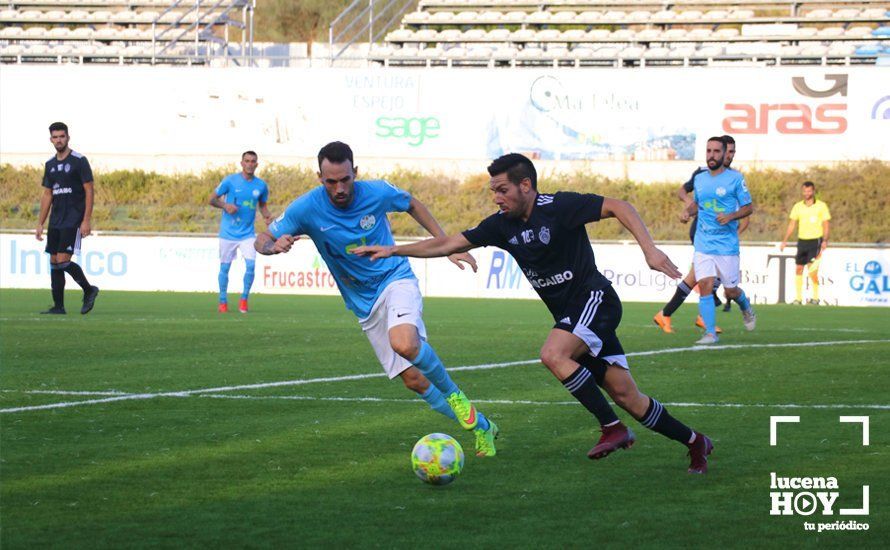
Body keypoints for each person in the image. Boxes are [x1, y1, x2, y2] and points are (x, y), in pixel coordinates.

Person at [354, 153, 715, 474]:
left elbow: (620, 205)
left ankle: (612, 427)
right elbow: (449, 242)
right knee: (627, 396)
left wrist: (649, 251)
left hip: (595, 301)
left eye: (502, 190)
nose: (496, 198)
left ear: (525, 185)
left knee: (552, 354)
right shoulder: (500, 225)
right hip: (573, 318)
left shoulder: (559, 207)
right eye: (492, 191)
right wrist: (394, 250)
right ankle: (695, 441)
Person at [254, 141, 499, 457]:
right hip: (363, 303)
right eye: (331, 181)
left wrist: (446, 244)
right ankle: (483, 427)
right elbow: (262, 238)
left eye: (345, 179)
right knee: (413, 379)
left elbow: (412, 203)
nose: (340, 188)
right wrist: (273, 247)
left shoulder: (377, 192)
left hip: (394, 278)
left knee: (405, 343)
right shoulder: (306, 208)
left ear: (355, 172)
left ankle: (455, 396)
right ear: (319, 178)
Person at [653, 135, 747, 333]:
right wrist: (691, 208)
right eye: (726, 151)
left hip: (721, 236)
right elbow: (681, 192)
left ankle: (667, 314)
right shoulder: (703, 173)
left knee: (695, 277)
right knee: (707, 277)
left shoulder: (734, 178)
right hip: (703, 231)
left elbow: (744, 209)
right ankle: (700, 316)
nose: (728, 155)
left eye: (731, 152)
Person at [684, 137, 756, 344]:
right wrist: (687, 212)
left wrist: (731, 216)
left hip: (726, 245)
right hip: (704, 242)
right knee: (705, 284)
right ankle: (710, 333)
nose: (711, 155)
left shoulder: (735, 179)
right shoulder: (700, 179)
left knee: (730, 291)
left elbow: (748, 207)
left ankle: (746, 308)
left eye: (716, 151)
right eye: (708, 151)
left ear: (724, 154)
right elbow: (698, 204)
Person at [35, 122, 100, 315]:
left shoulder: (79, 161)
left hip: (73, 219)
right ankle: (58, 306)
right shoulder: (50, 165)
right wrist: (40, 223)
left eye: (62, 136)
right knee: (54, 262)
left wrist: (86, 219)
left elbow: (89, 190)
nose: (59, 140)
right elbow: (48, 194)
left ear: (68, 137)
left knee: (63, 261)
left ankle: (89, 290)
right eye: (55, 137)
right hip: (55, 221)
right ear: (51, 140)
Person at [209, 151, 272, 313]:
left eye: (253, 161)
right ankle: (222, 301)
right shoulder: (230, 181)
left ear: (257, 164)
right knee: (225, 268)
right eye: (247, 161)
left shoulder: (261, 185)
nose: (250, 164)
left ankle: (244, 299)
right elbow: (212, 199)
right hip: (228, 234)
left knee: (251, 265)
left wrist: (268, 218)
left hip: (247, 234)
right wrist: (225, 206)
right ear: (242, 163)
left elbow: (262, 205)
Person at [780, 181, 830, 305]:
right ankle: (798, 299)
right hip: (802, 241)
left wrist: (825, 240)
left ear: (813, 191)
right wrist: (785, 240)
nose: (806, 193)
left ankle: (815, 298)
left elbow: (826, 224)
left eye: (809, 191)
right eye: (804, 191)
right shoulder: (798, 206)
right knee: (799, 269)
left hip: (815, 240)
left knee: (812, 270)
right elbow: (792, 224)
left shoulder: (821, 206)